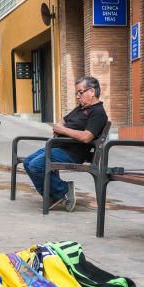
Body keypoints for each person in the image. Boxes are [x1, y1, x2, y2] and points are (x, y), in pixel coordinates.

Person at [22, 75, 108, 212]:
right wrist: (59, 127)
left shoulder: (98, 113)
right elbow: (63, 120)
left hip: (73, 152)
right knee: (27, 162)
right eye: (77, 93)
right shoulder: (80, 109)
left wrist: (63, 130)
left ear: (92, 92)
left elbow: (86, 137)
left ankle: (63, 190)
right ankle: (54, 196)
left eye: (80, 92)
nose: (78, 96)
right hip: (58, 146)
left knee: (36, 165)